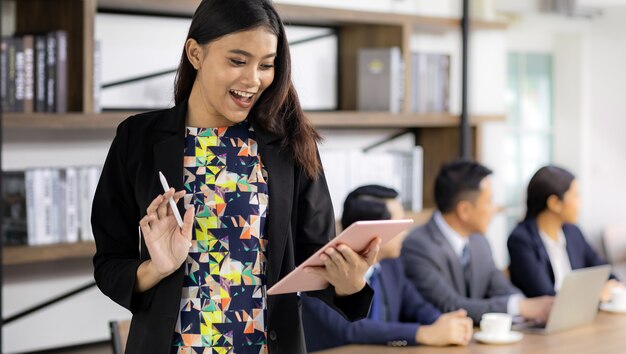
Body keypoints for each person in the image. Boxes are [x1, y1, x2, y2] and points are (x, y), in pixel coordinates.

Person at [91, 1, 378, 353]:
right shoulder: (138, 139)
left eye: (267, 65)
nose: (253, 79)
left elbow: (313, 260)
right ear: (195, 53)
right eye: (237, 61)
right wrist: (157, 268)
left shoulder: (288, 144)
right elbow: (109, 264)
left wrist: (350, 284)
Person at [301, 185, 473, 352]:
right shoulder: (322, 271)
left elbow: (417, 306)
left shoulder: (392, 266)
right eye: (400, 225)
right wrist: (422, 334)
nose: (406, 232)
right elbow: (352, 330)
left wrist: (445, 323)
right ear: (371, 231)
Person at [400, 160, 554, 324]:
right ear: (464, 210)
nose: (494, 209)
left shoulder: (479, 241)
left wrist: (531, 307)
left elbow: (501, 288)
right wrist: (518, 307)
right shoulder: (418, 246)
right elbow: (450, 305)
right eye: (489, 202)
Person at [507, 165, 623, 301]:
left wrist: (611, 284)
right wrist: (595, 295)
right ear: (555, 203)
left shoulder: (573, 232)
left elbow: (604, 271)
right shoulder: (520, 240)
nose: (579, 203)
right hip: (544, 320)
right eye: (575, 195)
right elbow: (545, 296)